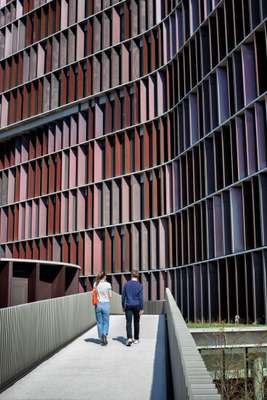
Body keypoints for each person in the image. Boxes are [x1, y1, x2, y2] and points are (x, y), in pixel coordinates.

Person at [122, 270, 144, 346]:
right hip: (137, 305)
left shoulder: (126, 284)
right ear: (138, 276)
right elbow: (141, 298)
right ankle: (136, 339)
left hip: (128, 305)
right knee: (136, 322)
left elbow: (123, 297)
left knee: (128, 322)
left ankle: (129, 338)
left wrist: (123, 306)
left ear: (131, 275)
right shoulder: (140, 285)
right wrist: (141, 308)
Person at [94, 272, 112, 345]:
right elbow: (110, 296)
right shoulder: (108, 284)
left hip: (98, 304)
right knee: (106, 321)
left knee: (99, 322)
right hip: (106, 304)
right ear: (104, 277)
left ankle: (101, 337)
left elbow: (93, 294)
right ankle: (104, 334)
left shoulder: (95, 284)